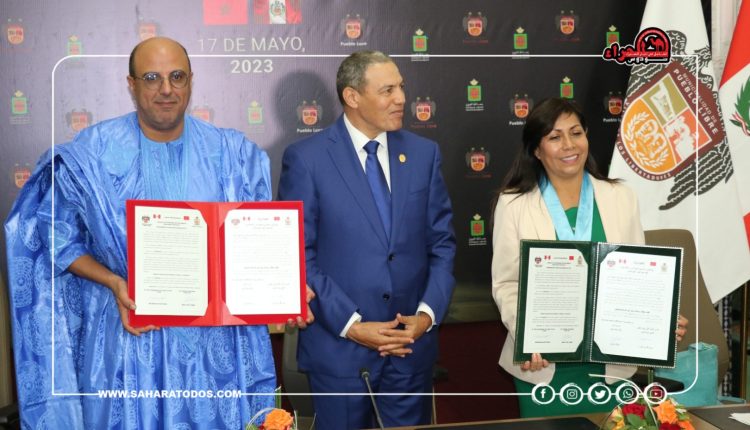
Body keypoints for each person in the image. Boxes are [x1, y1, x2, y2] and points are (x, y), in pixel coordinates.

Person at [4, 37, 276, 429]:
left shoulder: (231, 153)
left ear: (191, 80)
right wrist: (113, 282)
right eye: (152, 78)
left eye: (177, 77)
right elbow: (55, 234)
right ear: (131, 84)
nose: (166, 89)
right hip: (128, 339)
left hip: (215, 351)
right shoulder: (94, 150)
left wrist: (280, 283)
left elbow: (257, 242)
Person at [277, 50, 456, 429]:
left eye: (401, 87)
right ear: (352, 96)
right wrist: (353, 325)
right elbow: (296, 255)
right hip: (340, 352)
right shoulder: (307, 159)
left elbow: (442, 245)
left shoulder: (424, 154)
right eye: (387, 90)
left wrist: (426, 316)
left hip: (409, 351)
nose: (401, 98)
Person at [491, 98, 688, 417]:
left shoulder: (621, 196)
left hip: (610, 367)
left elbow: (637, 276)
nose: (569, 145)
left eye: (576, 133)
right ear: (537, 150)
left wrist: (659, 320)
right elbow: (507, 284)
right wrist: (528, 337)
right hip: (543, 366)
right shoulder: (513, 204)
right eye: (555, 137)